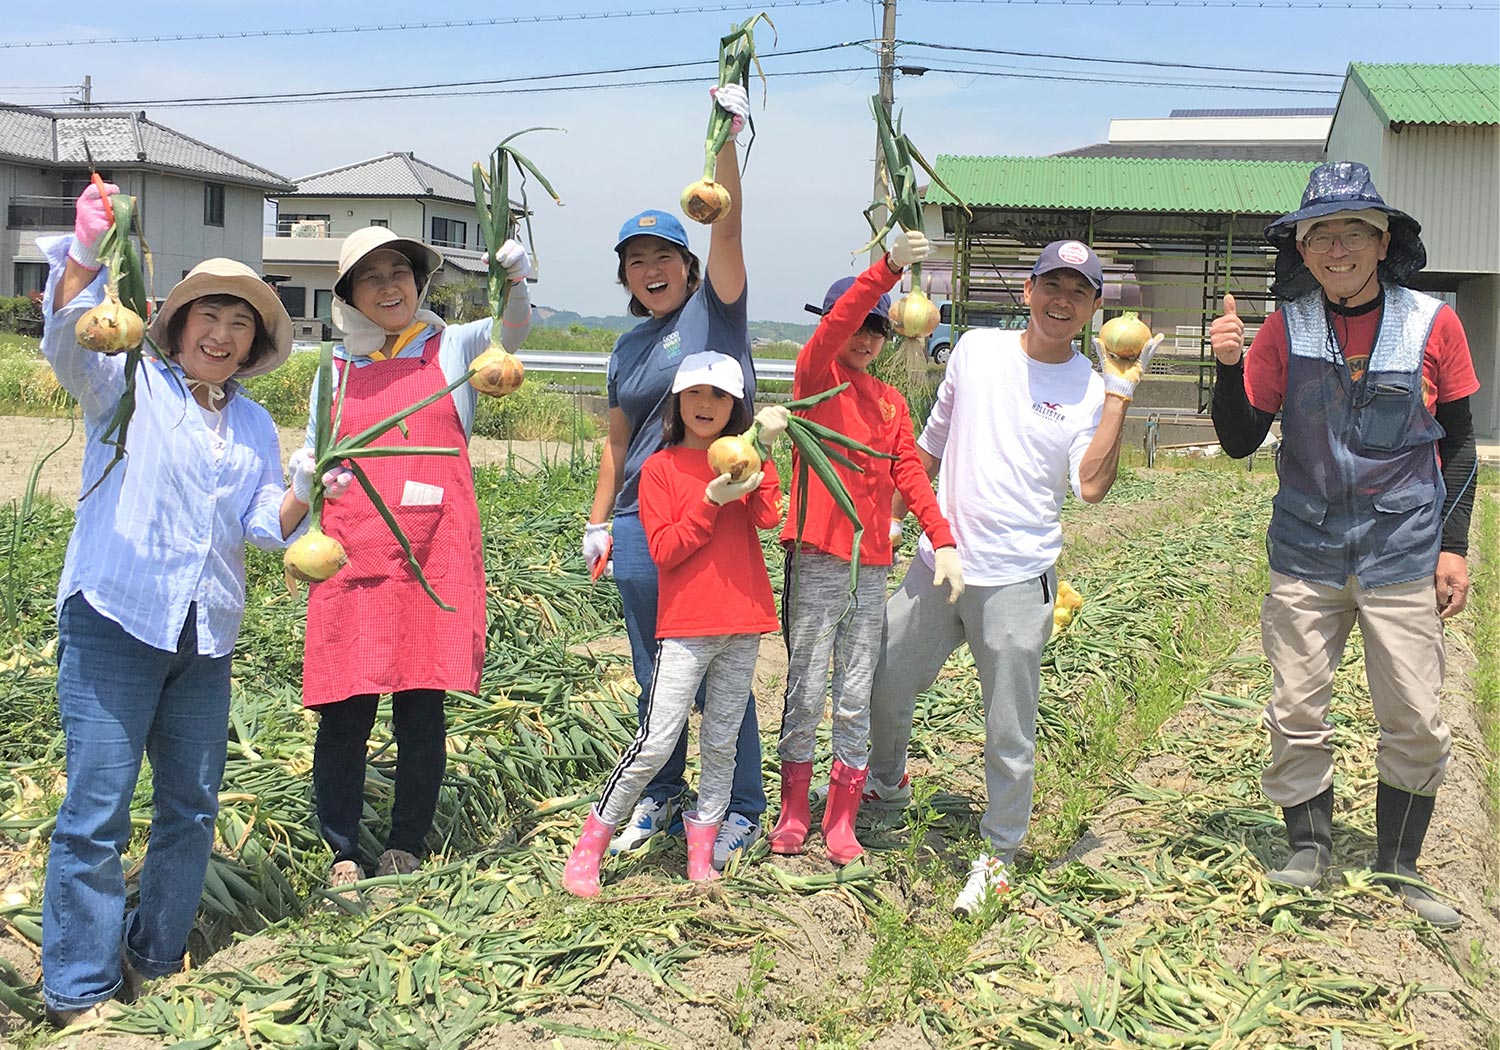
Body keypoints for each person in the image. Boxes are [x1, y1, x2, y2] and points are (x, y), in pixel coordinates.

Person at [38, 184, 336, 1027]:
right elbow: (71, 341)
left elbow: (257, 528)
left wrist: (306, 491)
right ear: (174, 323)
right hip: (116, 621)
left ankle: (155, 956)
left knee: (191, 807)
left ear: (255, 344)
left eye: (242, 323)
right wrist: (88, 258)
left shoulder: (249, 426)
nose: (223, 332)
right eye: (210, 313)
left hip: (204, 636)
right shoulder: (126, 382)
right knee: (96, 812)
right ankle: (79, 990)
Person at [1208, 161, 1478, 930]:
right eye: (1320, 232)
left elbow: (1458, 446)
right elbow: (1238, 440)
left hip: (1402, 547)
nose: (1337, 247)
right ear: (1300, 246)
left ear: (1383, 239)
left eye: (1354, 230)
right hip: (1307, 548)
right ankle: (1310, 849)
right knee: (1296, 706)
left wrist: (1452, 549)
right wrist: (1229, 369)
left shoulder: (1433, 321)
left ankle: (1398, 865)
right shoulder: (1282, 327)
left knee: (1417, 716)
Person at [867, 240, 1159, 916]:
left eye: (1079, 292)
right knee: (883, 677)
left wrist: (1119, 396)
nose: (1063, 300)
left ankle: (999, 851)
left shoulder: (1090, 387)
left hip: (1019, 578)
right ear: (1027, 291)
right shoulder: (976, 351)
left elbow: (1090, 487)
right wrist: (889, 515)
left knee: (1007, 727)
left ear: (1093, 308)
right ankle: (886, 788)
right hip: (939, 561)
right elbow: (932, 442)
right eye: (1051, 285)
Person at [585, 82, 783, 869]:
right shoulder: (628, 348)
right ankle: (664, 794)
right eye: (636, 261)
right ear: (626, 277)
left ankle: (737, 806)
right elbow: (616, 438)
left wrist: (726, 140)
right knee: (655, 674)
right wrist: (598, 520)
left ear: (687, 263)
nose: (650, 269)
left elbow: (727, 224)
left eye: (663, 255)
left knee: (724, 669)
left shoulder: (716, 315)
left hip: (721, 511)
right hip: (643, 522)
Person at [297, 225, 533, 888]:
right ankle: (342, 848)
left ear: (419, 282)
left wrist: (514, 280)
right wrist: (310, 499)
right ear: (349, 295)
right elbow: (319, 463)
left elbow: (511, 333)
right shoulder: (334, 368)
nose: (388, 286)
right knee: (345, 710)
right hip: (353, 558)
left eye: (398, 272)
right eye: (370, 277)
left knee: (420, 711)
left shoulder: (451, 346)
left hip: (431, 559)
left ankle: (406, 841)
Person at [767, 229, 963, 866]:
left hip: (871, 563)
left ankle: (841, 813)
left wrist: (944, 538)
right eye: (857, 325)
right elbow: (839, 324)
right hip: (818, 556)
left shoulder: (889, 403)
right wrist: (885, 271)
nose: (867, 337)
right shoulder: (815, 375)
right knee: (803, 686)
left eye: (879, 330)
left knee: (854, 688)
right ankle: (794, 807)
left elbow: (909, 471)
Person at [564, 352, 785, 895]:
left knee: (723, 742)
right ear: (677, 402)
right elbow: (665, 550)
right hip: (687, 625)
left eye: (719, 396)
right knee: (657, 740)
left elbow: (768, 517)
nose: (706, 405)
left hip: (742, 621)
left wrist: (763, 454)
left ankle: (701, 855)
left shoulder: (744, 461)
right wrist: (711, 501)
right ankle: (592, 843)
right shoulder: (660, 469)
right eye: (694, 395)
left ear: (737, 406)